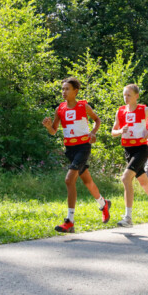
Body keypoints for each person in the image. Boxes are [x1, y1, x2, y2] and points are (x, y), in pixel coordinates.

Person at [41, 77, 111, 233]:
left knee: (69, 180)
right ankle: (103, 204)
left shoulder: (83, 106)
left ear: (75, 91)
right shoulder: (60, 109)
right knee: (87, 181)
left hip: (83, 147)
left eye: (67, 89)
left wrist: (93, 133)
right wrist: (48, 126)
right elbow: (53, 131)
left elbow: (97, 120)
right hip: (70, 149)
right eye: (62, 89)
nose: (64, 92)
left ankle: (70, 221)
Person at [111, 84, 148, 227]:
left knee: (126, 178)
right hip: (128, 150)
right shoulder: (120, 111)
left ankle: (128, 218)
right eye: (124, 95)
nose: (126, 98)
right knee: (143, 181)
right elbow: (113, 132)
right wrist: (120, 131)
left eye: (129, 95)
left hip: (141, 149)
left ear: (136, 96)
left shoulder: (144, 110)